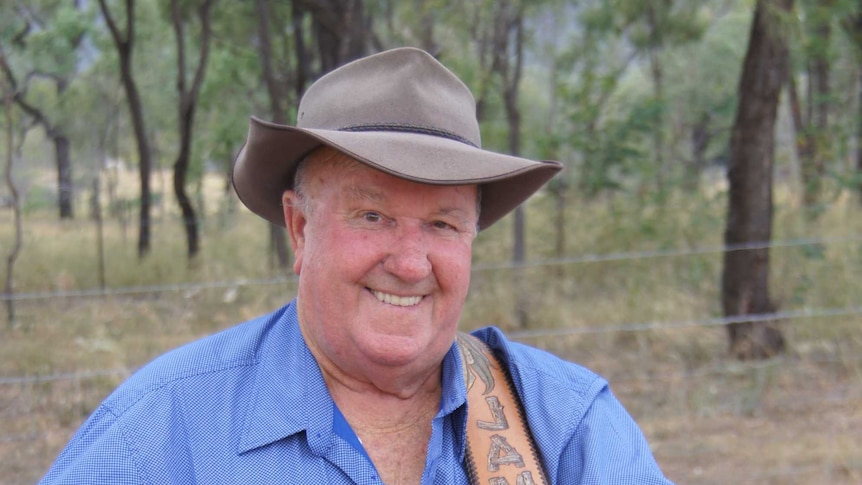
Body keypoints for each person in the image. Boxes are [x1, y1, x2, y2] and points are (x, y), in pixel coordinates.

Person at [39, 47, 673, 484]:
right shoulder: (160, 430)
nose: (408, 261)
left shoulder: (564, 424)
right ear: (299, 227)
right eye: (372, 216)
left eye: (443, 224)